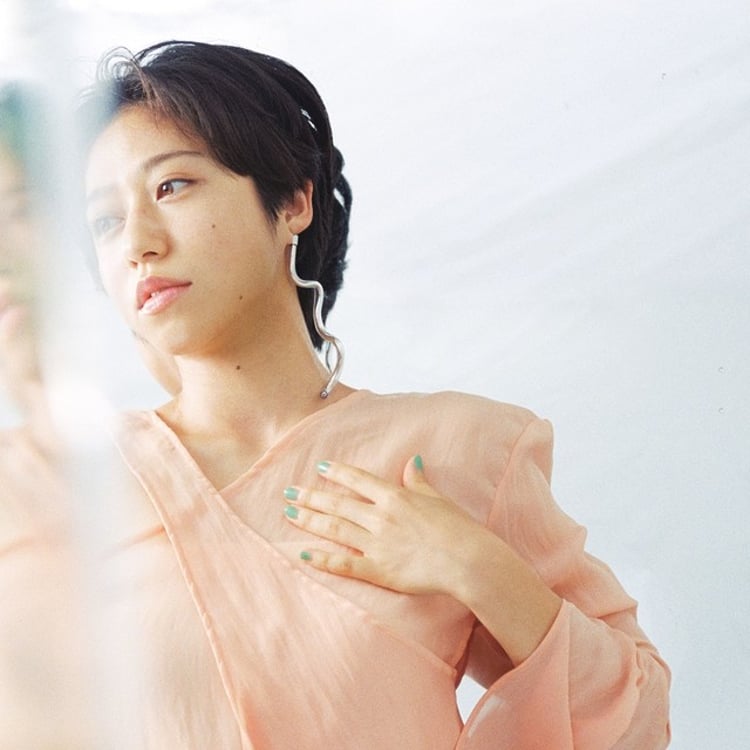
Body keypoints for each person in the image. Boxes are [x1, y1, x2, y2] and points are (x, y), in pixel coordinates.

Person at [79, 40, 671, 749]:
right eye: (105, 221)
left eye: (172, 186)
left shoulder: (458, 449)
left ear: (293, 201)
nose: (137, 242)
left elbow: (635, 719)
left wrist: (478, 568)